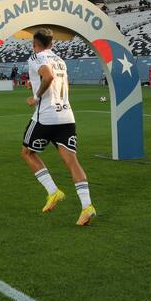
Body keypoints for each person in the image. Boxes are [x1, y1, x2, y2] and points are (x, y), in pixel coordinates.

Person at [19, 28, 96, 226]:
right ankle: (87, 207)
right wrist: (36, 85)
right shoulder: (60, 60)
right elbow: (59, 82)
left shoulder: (36, 57)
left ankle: (53, 191)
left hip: (46, 116)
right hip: (67, 116)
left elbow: (48, 77)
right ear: (52, 44)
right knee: (72, 162)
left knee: (27, 153)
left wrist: (35, 97)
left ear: (35, 45)